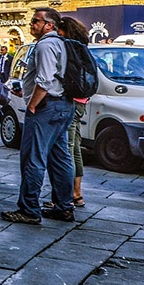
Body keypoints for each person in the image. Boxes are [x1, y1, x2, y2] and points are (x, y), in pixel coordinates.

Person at [1, 8, 75, 225]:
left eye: (36, 21)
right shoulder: (63, 42)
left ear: (49, 25)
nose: (31, 24)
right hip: (63, 105)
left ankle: (29, 209)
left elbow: (44, 80)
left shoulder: (45, 45)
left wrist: (32, 105)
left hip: (47, 106)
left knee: (33, 158)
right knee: (60, 158)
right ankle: (64, 206)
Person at [54, 16, 90, 209]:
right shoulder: (82, 45)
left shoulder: (68, 47)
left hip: (71, 101)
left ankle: (66, 195)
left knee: (66, 150)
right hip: (82, 101)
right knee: (75, 148)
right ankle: (77, 193)